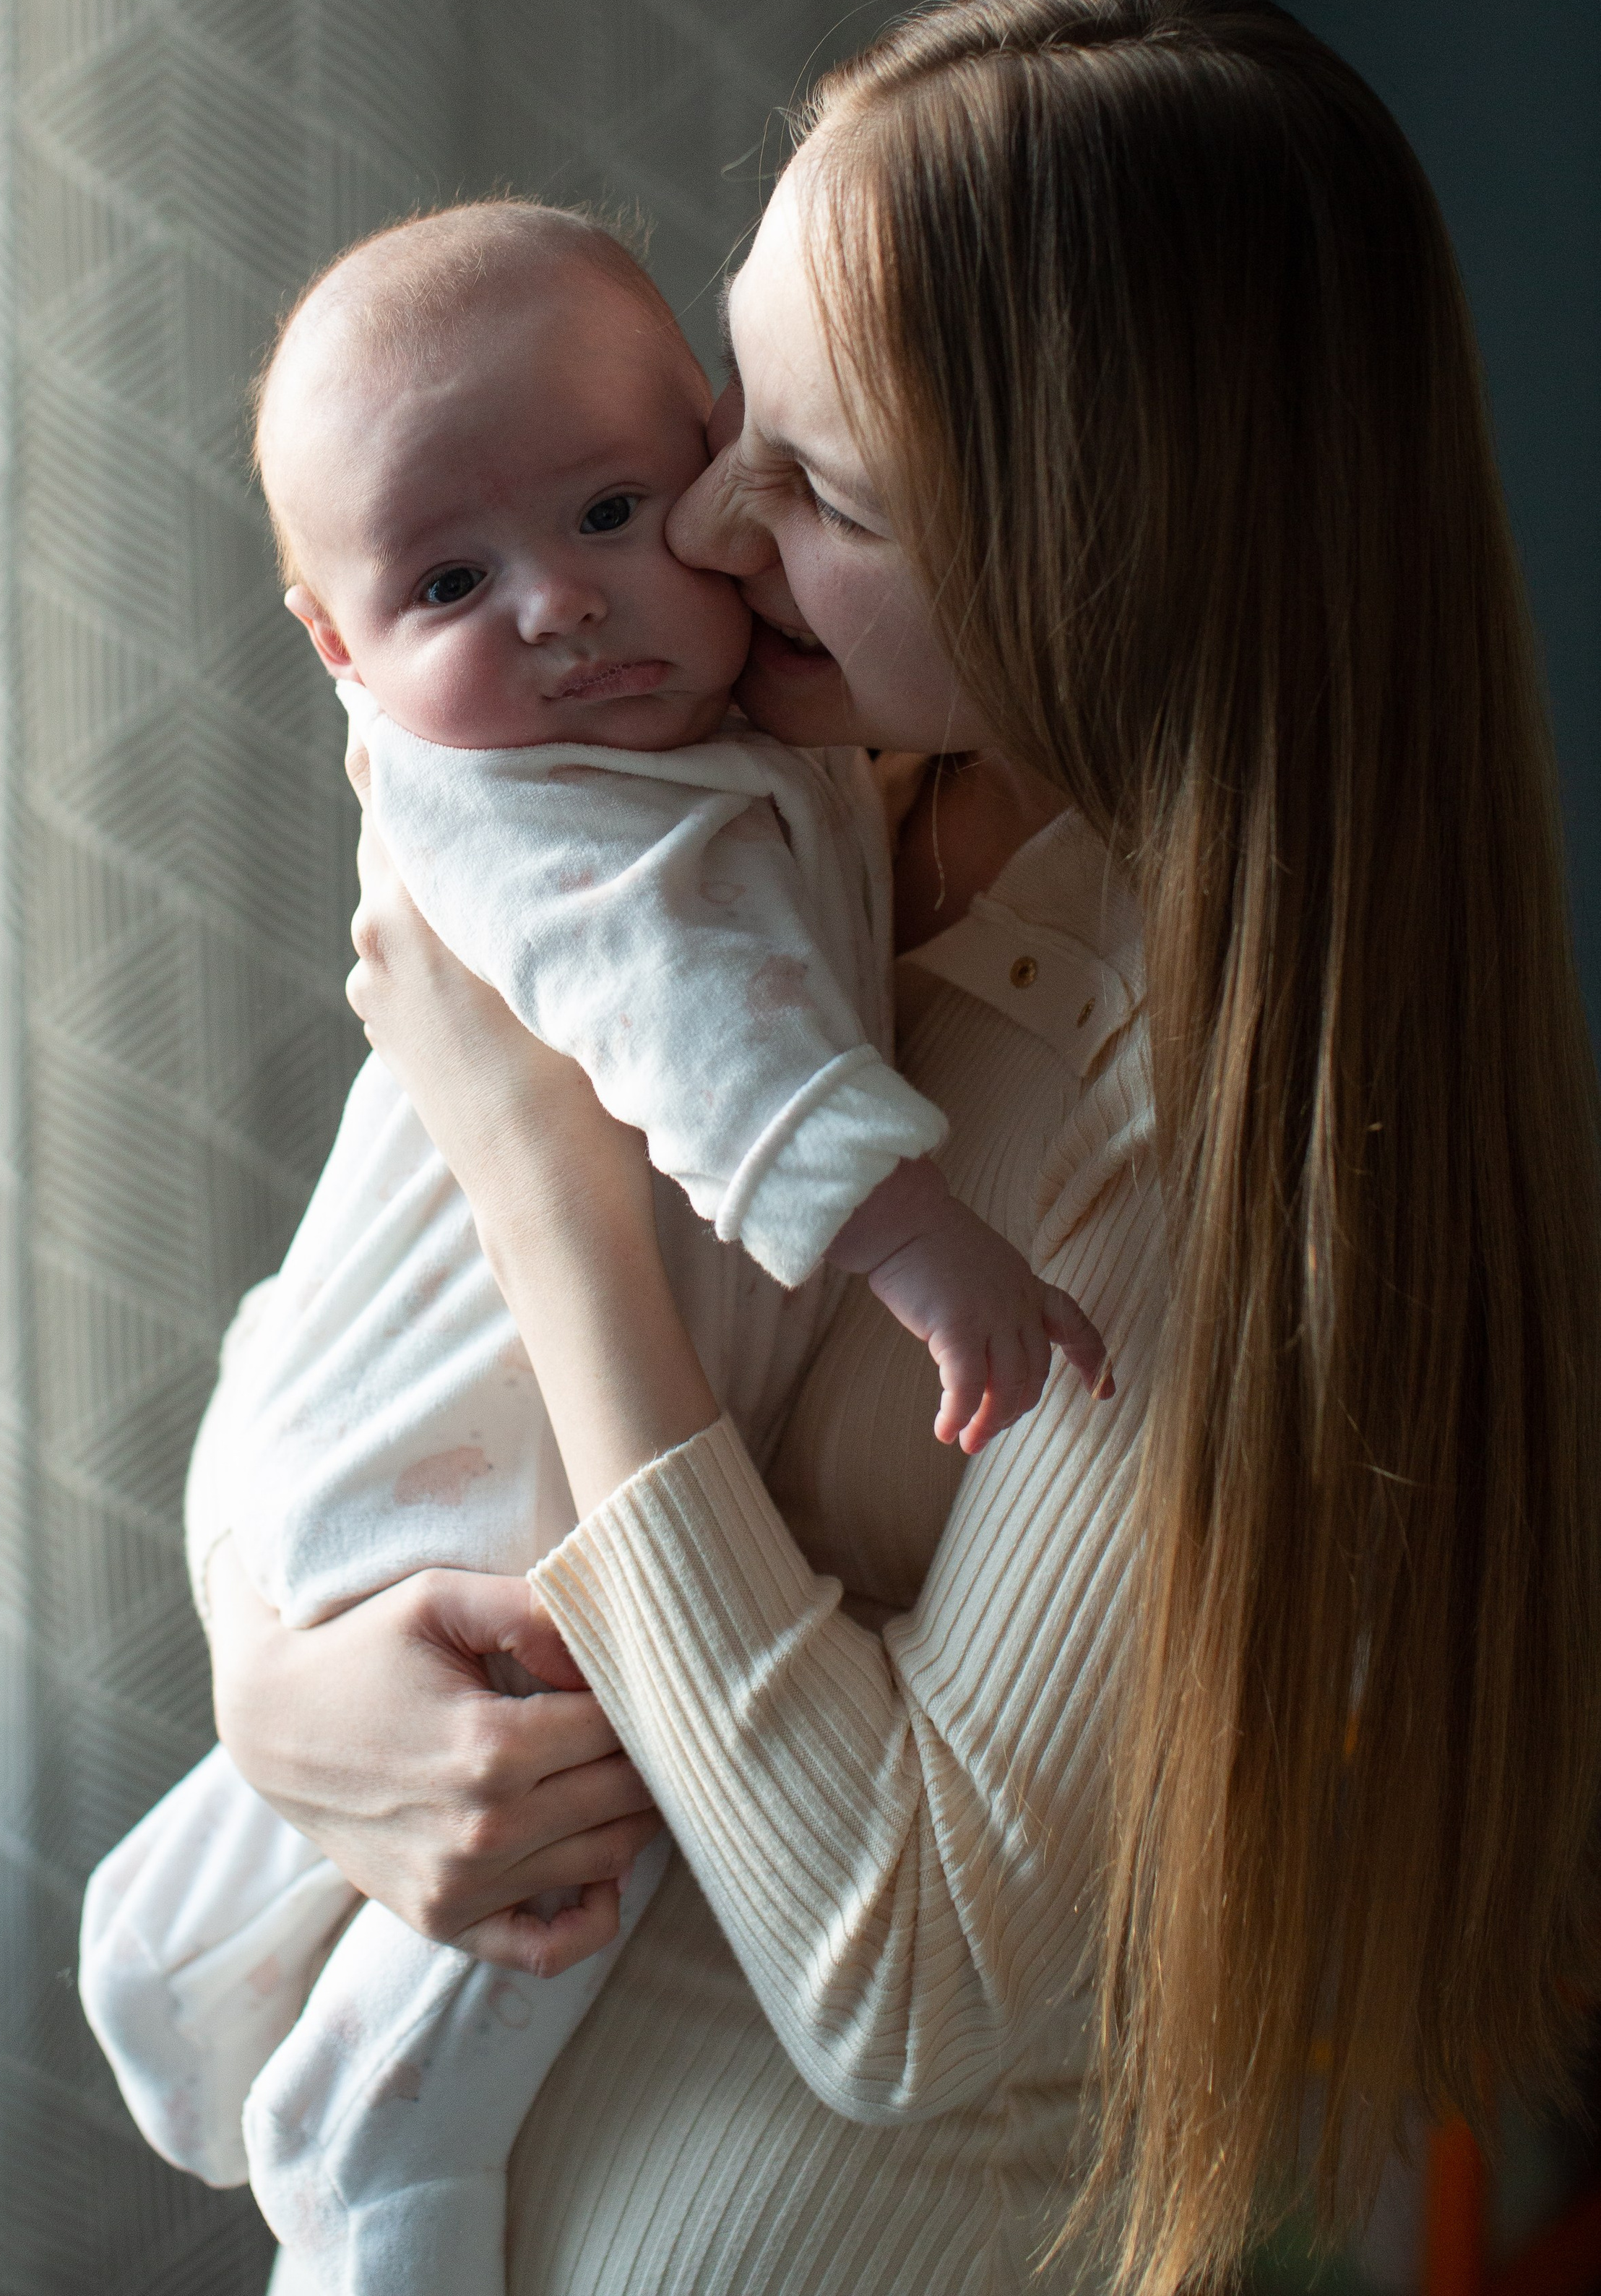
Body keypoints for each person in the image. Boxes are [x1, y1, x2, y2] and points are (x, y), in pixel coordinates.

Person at [199, 0, 1601, 2296]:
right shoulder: (751, 818)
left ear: (1094, 553)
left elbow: (905, 1972)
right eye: (738, 410)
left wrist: (562, 1196)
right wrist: (287, 1688)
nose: (709, 528)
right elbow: (321, 1339)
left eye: (822, 488)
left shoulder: (1231, 1139)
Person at [80, 202, 1105, 2296]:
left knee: (537, 1800)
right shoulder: (555, 803)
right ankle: (350, 2131)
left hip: (484, 1501)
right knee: (532, 1794)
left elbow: (899, 1979)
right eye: (451, 581)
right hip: (441, 1463)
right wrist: (275, 1689)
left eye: (672, 491)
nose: (605, 587)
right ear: (339, 644)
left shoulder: (1111, 1026)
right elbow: (710, 1055)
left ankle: (200, 1958)